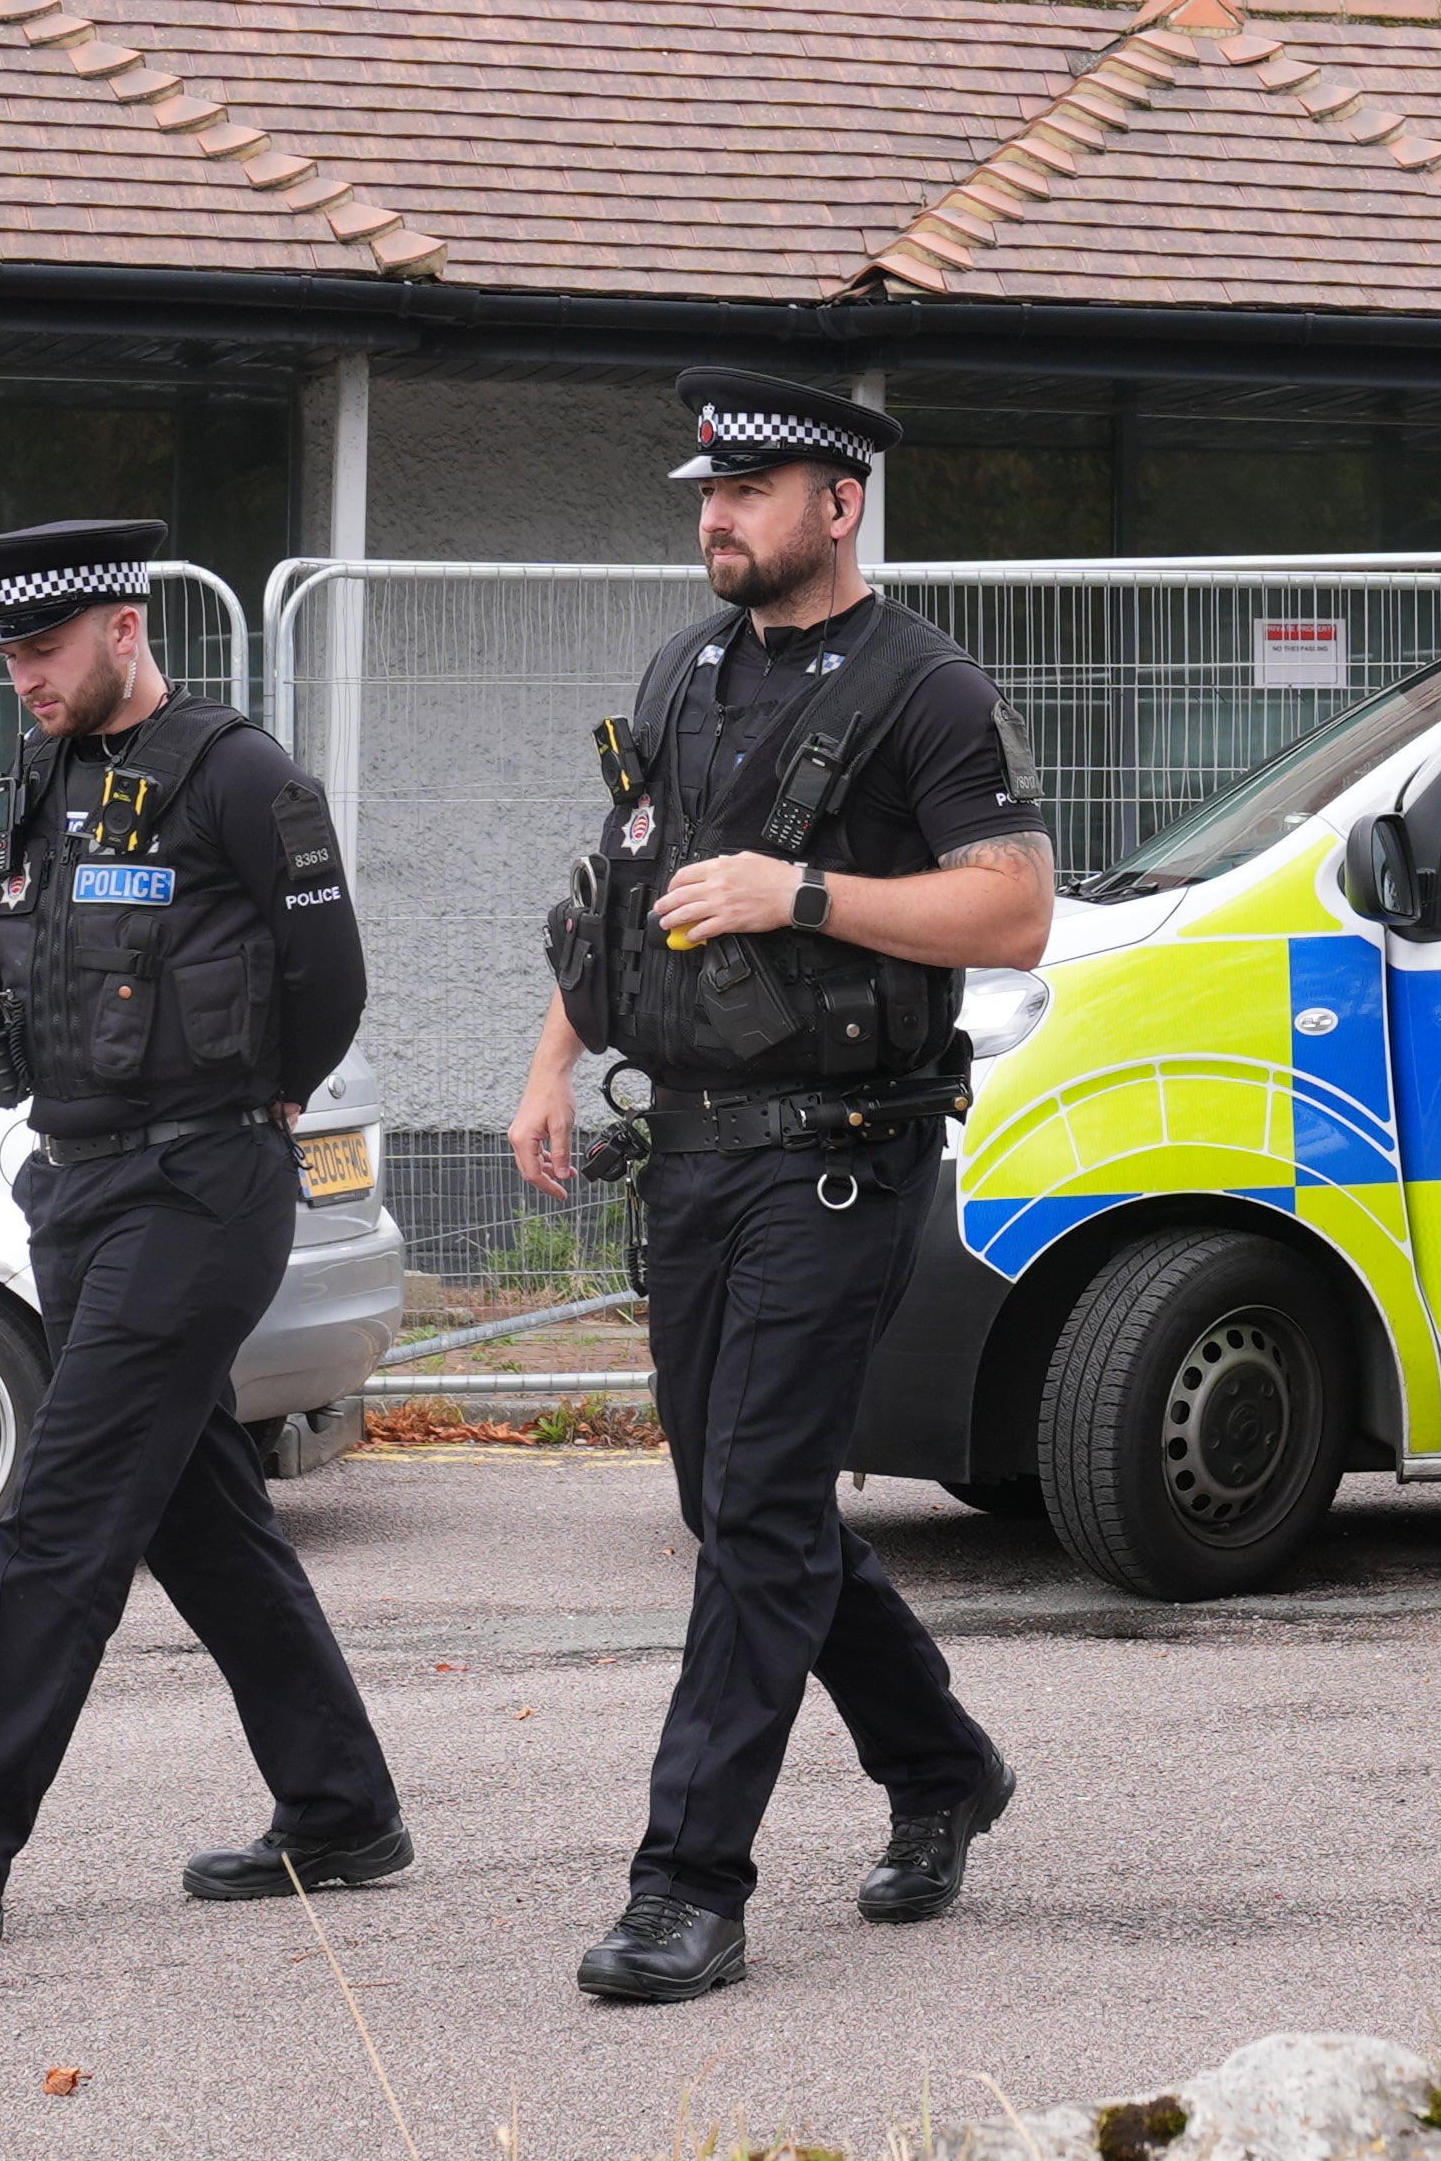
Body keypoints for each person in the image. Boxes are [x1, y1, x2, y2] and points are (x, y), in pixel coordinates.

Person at [510, 370, 1045, 2006]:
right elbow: (620, 892)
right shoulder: (683, 671)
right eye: (704, 489)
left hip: (838, 1153)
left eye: (747, 489)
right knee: (737, 1507)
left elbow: (1013, 910)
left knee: (748, 1511)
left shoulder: (925, 689)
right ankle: (939, 1758)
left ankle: (687, 1885)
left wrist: (799, 890)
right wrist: (550, 1059)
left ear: (839, 503)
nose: (713, 515)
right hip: (687, 1147)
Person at [0, 518, 402, 1949]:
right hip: (76, 1185)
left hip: (201, 1189)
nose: (24, 674)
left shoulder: (241, 776)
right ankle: (341, 1807)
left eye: (45, 647)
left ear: (125, 627)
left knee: (64, 1512)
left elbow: (330, 980)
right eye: (8, 650)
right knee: (200, 1521)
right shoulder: (45, 776)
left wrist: (252, 1103)